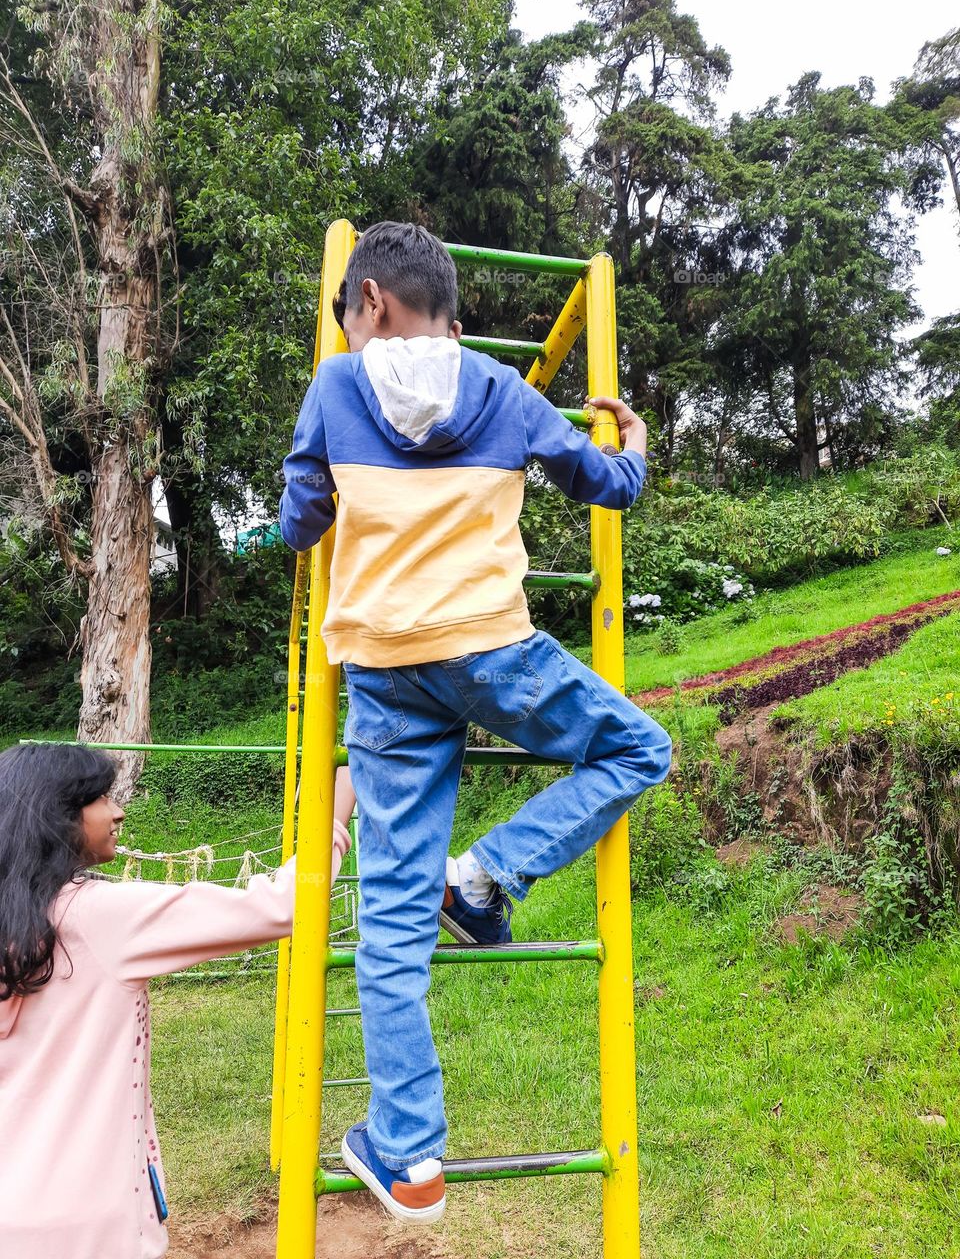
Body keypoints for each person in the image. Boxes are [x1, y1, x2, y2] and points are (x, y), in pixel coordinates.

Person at [279, 221, 672, 1225]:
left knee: (392, 928)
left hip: (384, 671)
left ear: (369, 299)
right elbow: (608, 487)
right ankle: (490, 870)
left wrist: (320, 489)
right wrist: (630, 444)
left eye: (348, 317)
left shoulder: (336, 386)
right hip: (492, 651)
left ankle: (409, 1157)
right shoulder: (503, 390)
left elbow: (300, 523)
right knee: (638, 745)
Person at [0, 742, 350, 1259]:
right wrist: (336, 805)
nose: (118, 810)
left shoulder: (16, 926)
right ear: (59, 817)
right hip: (93, 1223)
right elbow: (279, 906)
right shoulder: (99, 916)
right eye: (99, 798)